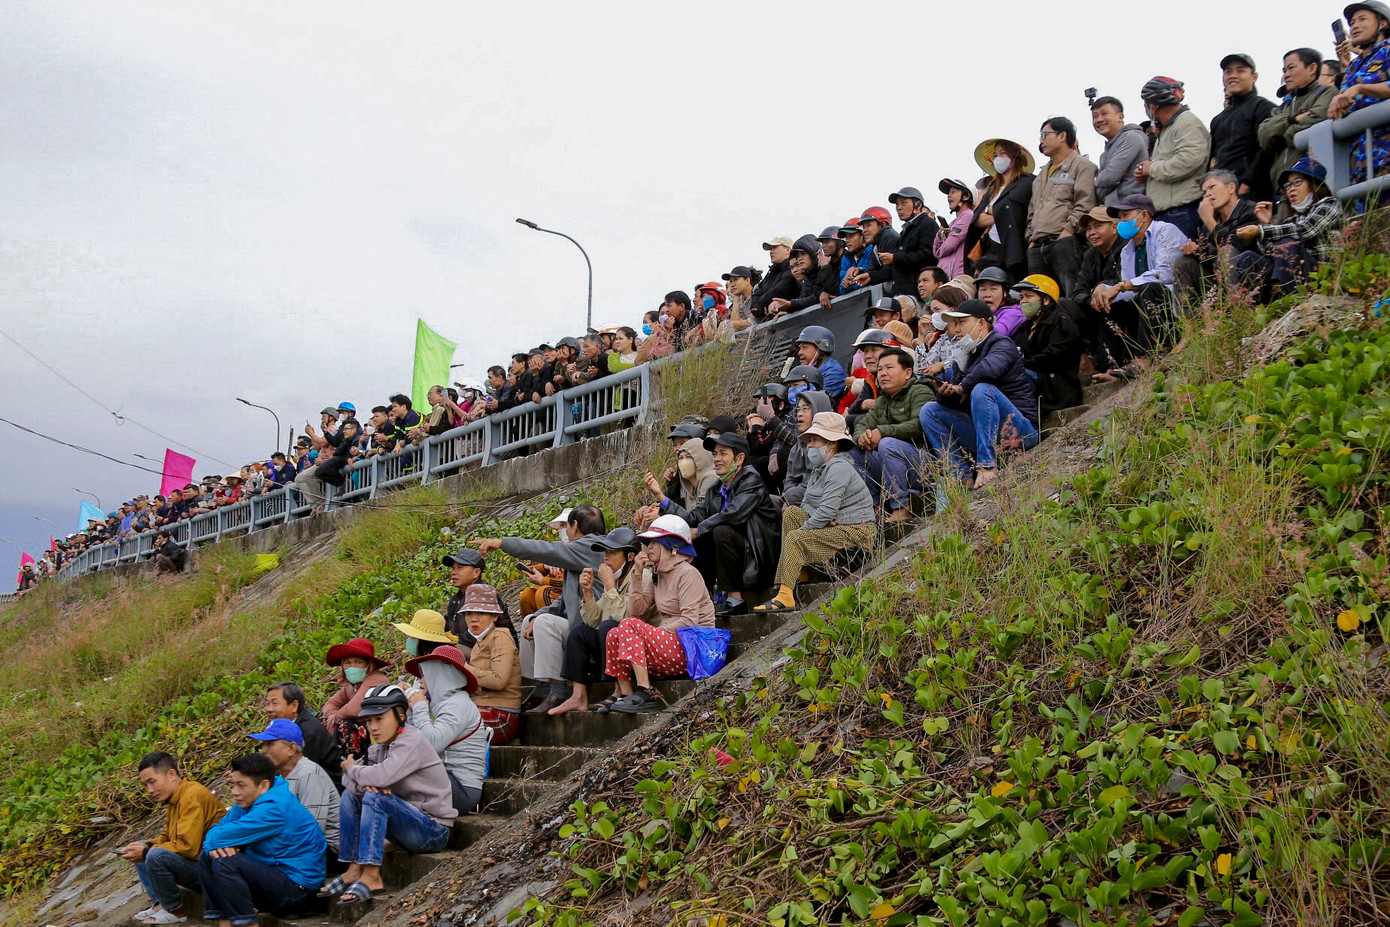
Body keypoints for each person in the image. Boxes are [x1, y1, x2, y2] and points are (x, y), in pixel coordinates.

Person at [326, 685, 456, 907]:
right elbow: (350, 782)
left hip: (433, 829)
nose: (373, 727)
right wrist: (368, 782)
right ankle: (354, 868)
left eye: (379, 719)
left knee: (375, 798)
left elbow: (376, 774)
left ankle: (372, 875)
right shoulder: (382, 748)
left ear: (401, 717)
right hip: (409, 822)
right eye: (369, 721)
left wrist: (356, 772)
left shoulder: (411, 741)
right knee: (351, 795)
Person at [472, 505, 607, 714]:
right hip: (581, 624)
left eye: (566, 526)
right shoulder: (585, 551)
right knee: (531, 621)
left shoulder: (591, 547)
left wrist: (502, 543)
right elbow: (566, 598)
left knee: (545, 624)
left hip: (592, 629)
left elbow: (544, 549)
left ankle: (558, 689)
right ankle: (541, 687)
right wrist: (538, 614)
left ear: (575, 526)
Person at [755, 413, 877, 613]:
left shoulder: (839, 468)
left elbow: (827, 510)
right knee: (793, 513)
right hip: (838, 528)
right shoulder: (820, 469)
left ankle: (785, 595)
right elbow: (807, 505)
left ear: (832, 443)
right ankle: (795, 575)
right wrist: (819, 518)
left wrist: (813, 524)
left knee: (796, 537)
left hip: (858, 532)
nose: (810, 445)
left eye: (815, 439)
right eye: (809, 440)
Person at [920, 299, 1040, 492]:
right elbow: (958, 401)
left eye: (962, 322)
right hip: (991, 436)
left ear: (982, 323)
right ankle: (961, 477)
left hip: (1022, 432)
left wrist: (962, 387)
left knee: (982, 389)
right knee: (929, 411)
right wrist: (946, 394)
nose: (956, 329)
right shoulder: (967, 354)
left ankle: (987, 466)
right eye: (955, 324)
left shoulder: (1001, 343)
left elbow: (990, 369)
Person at [600, 515, 716, 714]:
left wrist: (656, 633)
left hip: (692, 647)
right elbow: (637, 611)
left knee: (628, 625)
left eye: (655, 542)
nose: (649, 547)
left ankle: (646, 690)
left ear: (673, 547)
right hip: (671, 643)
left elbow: (689, 621)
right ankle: (627, 695)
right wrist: (637, 573)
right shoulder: (659, 575)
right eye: (648, 542)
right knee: (614, 633)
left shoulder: (688, 573)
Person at [659, 432, 780, 615]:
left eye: (723, 454)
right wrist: (662, 499)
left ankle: (735, 598)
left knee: (719, 530)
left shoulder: (751, 480)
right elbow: (695, 517)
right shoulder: (716, 488)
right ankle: (704, 597)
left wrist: (699, 530)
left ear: (739, 459)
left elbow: (733, 514)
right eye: (715, 454)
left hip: (759, 558)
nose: (717, 459)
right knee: (699, 535)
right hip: (737, 555)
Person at [197, 753, 325, 925]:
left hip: (298, 891)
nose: (235, 792)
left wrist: (217, 841)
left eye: (241, 785)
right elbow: (218, 830)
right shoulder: (248, 800)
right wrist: (216, 842)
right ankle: (224, 922)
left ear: (264, 785)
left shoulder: (274, 808)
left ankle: (249, 924)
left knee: (225, 861)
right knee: (208, 856)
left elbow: (217, 835)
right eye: (233, 785)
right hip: (273, 878)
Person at [119, 752, 226, 926]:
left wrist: (147, 851)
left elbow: (188, 848)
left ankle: (175, 911)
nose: (149, 790)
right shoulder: (175, 799)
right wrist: (145, 847)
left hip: (213, 871)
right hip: (196, 864)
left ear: (171, 774)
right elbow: (166, 837)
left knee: (154, 855)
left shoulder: (192, 796)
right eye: (145, 785)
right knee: (142, 846)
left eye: (152, 782)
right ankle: (160, 903)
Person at [1091, 194, 1188, 382]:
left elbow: (1166, 274)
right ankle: (1115, 366)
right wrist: (1107, 291)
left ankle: (1145, 358)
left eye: (1125, 215)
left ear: (1143, 215)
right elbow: (1127, 290)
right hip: (1148, 306)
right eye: (1119, 218)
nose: (1121, 222)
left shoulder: (1165, 231)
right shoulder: (1128, 249)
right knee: (1108, 302)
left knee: (1149, 288)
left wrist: (1120, 286)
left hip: (1175, 305)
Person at [550, 527, 642, 715]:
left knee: (610, 628)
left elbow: (624, 618)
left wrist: (608, 584)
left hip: (639, 649)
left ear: (630, 557)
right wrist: (588, 591)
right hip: (619, 646)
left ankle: (621, 691)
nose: (606, 557)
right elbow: (593, 620)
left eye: (613, 552)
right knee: (579, 632)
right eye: (605, 552)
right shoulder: (617, 579)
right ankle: (578, 696)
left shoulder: (641, 576)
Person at [1234, 158, 1344, 297]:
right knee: (1247, 258)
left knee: (1287, 243)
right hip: (1297, 276)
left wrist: (1261, 231)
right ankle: (1257, 305)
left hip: (1324, 276)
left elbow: (1305, 229)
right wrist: (1266, 224)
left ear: (1314, 183)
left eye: (1297, 182)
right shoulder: (1292, 220)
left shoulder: (1330, 205)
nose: (1291, 189)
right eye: (1288, 185)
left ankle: (1289, 297)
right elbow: (1270, 252)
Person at [850, 347, 935, 523]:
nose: (883, 373)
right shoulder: (882, 400)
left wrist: (882, 432)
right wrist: (862, 437)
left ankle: (901, 508)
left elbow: (918, 425)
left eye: (889, 368)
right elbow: (863, 425)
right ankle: (876, 508)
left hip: (926, 465)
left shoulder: (920, 391)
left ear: (907, 372)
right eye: (880, 369)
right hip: (894, 465)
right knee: (852, 452)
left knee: (887, 443)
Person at [403, 644, 489, 816]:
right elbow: (413, 744)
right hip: (445, 781)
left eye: (425, 674)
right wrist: (411, 711)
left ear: (441, 676)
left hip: (461, 789)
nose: (420, 680)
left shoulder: (458, 705)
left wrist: (419, 707)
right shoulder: (442, 704)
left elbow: (430, 744)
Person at [1027, 116, 1098, 296]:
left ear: (1062, 136)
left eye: (1045, 134)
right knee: (1040, 301)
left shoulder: (1083, 166)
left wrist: (1067, 232)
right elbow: (1032, 211)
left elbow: (1085, 204)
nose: (1041, 141)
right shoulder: (1041, 174)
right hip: (1038, 246)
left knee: (1072, 295)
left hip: (1065, 242)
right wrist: (1031, 238)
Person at [1135, 76, 1210, 240]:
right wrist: (1146, 175)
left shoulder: (1186, 122)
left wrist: (1152, 168)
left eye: (1146, 105)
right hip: (1169, 213)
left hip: (1182, 212)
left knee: (1177, 264)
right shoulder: (1170, 127)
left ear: (1153, 106)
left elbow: (1189, 160)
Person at [249, 719, 339, 850]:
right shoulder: (280, 777)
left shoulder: (309, 774)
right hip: (298, 846)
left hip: (325, 851)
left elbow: (312, 830)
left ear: (291, 748)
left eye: (269, 744)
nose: (263, 750)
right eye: (263, 744)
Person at [1257, 49, 1338, 190]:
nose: (1286, 74)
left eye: (1291, 68)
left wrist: (1286, 133)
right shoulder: (1284, 107)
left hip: (1312, 185)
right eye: (1284, 70)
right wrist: (1292, 120)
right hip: (1283, 187)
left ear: (1312, 68)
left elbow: (1318, 118)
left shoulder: (1327, 92)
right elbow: (1264, 135)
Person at [1330, 1, 1390, 189]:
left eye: (1362, 19)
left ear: (1382, 24)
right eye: (1352, 22)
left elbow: (1357, 90)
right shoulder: (1354, 66)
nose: (1354, 26)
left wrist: (1360, 88)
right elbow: (1344, 100)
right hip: (1359, 162)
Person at [1011, 276, 1085, 416]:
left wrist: (1022, 364)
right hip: (1034, 383)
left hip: (1057, 388)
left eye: (1029, 296)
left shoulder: (1061, 322)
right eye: (1021, 297)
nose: (1023, 301)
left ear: (1045, 299)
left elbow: (1053, 355)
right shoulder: (1025, 328)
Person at [456, 585, 523, 741]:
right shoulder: (479, 643)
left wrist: (465, 669)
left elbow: (499, 680)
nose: (473, 618)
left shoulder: (499, 636)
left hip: (501, 714)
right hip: (481, 708)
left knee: (451, 726)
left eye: (480, 613)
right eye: (469, 613)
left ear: (494, 616)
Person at [1209, 54, 1276, 201]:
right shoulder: (1218, 119)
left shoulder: (1263, 107)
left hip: (1253, 193)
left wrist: (1248, 183)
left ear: (1254, 77)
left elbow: (1268, 149)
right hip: (1222, 193)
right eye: (1228, 72)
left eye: (1240, 71)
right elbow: (1213, 159)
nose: (1233, 76)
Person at [1183, 170, 1262, 294]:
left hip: (1250, 278)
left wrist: (1209, 220)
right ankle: (1190, 312)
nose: (1208, 194)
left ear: (1231, 187)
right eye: (1204, 192)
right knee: (1182, 262)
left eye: (1212, 187)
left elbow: (1238, 244)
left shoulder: (1251, 210)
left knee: (1227, 251)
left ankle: (1238, 306)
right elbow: (1209, 262)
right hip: (1218, 284)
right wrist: (1196, 252)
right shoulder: (1209, 224)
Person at [969, 138, 1035, 281]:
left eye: (1003, 153)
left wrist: (994, 212)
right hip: (991, 247)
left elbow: (1021, 212)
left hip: (1016, 247)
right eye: (995, 155)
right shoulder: (993, 189)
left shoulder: (1027, 182)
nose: (998, 158)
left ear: (1015, 156)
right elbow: (978, 220)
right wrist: (1001, 213)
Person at [320, 638, 393, 761]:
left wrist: (335, 718)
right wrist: (332, 715)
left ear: (369, 665)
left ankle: (351, 762)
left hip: (378, 732)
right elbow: (330, 703)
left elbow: (353, 709)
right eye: (347, 662)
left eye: (358, 662)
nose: (351, 667)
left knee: (345, 725)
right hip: (367, 732)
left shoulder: (375, 680)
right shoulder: (351, 685)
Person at [265, 681, 343, 790]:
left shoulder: (307, 731)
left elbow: (301, 773)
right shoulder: (284, 727)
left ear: (294, 706)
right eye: (267, 703)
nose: (268, 709)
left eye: (275, 703)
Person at [1090, 96, 1149, 206]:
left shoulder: (1131, 137)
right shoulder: (1104, 155)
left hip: (1133, 210)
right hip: (1113, 211)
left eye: (1104, 114)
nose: (1099, 119)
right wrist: (1104, 179)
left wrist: (1099, 180)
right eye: (1095, 116)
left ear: (1120, 117)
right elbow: (1100, 191)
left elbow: (1110, 176)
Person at [781, 389, 836, 505]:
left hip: (819, 501)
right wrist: (787, 497)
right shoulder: (796, 447)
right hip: (793, 498)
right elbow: (789, 479)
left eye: (805, 409)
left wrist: (789, 497)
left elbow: (816, 483)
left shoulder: (829, 444)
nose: (799, 414)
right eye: (798, 409)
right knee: (760, 503)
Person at [932, 179, 976, 277]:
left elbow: (948, 246)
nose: (949, 195)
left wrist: (942, 245)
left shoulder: (968, 215)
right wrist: (939, 235)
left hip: (958, 277)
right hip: (947, 277)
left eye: (953, 191)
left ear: (966, 196)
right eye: (948, 192)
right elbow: (935, 252)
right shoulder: (952, 223)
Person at [793, 325, 847, 402]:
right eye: (800, 348)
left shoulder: (833, 373)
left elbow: (816, 403)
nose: (800, 352)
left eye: (805, 348)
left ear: (820, 349)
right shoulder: (812, 371)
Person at [750, 237, 799, 320]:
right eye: (770, 249)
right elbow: (756, 293)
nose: (771, 252)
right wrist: (759, 307)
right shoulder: (771, 272)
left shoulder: (792, 270)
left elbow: (779, 290)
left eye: (775, 247)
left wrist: (760, 304)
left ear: (787, 250)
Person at [975, 266, 1026, 337]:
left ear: (1005, 292)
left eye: (993, 289)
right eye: (983, 289)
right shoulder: (977, 313)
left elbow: (996, 334)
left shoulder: (1013, 313)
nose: (987, 294)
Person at [392, 609, 459, 661]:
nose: (409, 639)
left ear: (424, 642)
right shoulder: (437, 659)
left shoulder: (438, 664)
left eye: (412, 637)